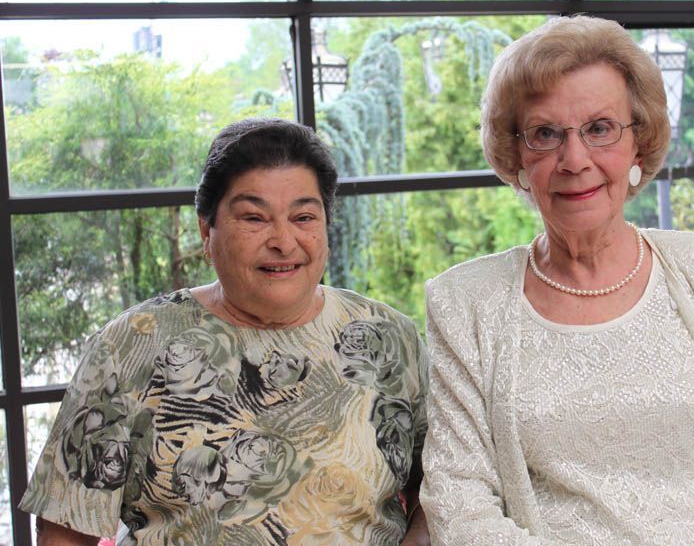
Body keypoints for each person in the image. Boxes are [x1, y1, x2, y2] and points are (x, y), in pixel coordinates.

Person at [419, 16, 694, 545]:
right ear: (516, 159)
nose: (574, 159)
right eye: (545, 134)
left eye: (600, 129)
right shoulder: (464, 303)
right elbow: (458, 505)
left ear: (638, 145)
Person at [21, 118, 430, 546]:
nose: (284, 241)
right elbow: (65, 528)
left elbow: (445, 486)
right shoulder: (133, 341)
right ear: (206, 231)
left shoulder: (388, 338)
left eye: (303, 216)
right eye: (254, 217)